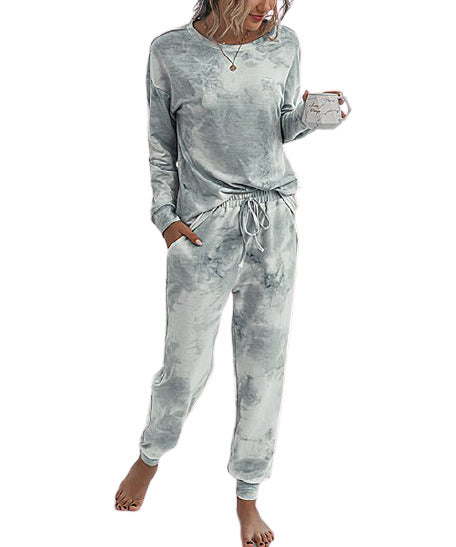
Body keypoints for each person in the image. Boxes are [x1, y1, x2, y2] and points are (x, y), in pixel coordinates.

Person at [115, 1, 347, 545]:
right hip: (204, 230)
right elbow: (161, 145)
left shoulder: (284, 43)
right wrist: (165, 217)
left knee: (264, 368)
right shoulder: (171, 51)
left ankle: (248, 495)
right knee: (185, 367)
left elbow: (279, 125)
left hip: (273, 225)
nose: (267, 8)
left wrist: (309, 117)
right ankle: (150, 455)